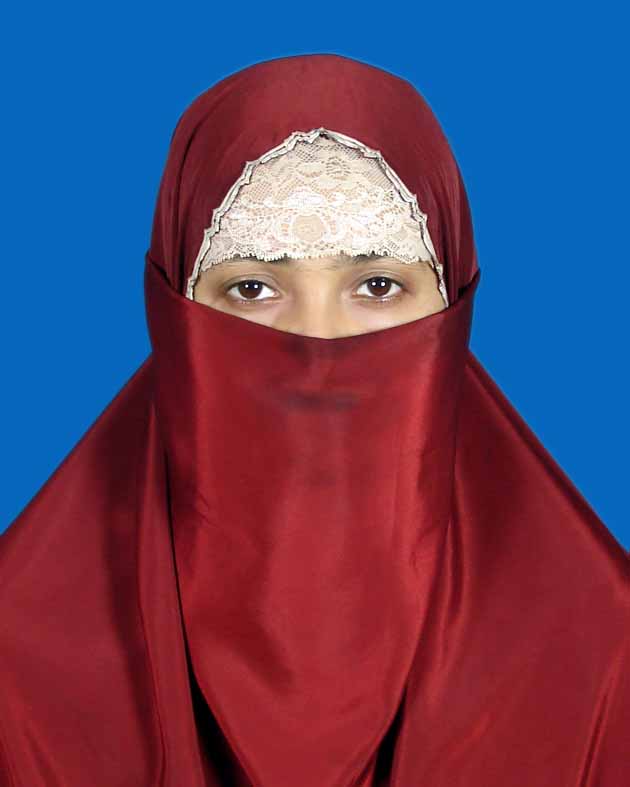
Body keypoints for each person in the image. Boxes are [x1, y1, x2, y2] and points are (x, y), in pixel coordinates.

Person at [0, 53, 627, 786]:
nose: (317, 345)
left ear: (453, 299)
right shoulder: (18, 657)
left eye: (378, 284)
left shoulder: (600, 650)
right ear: (173, 310)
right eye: (253, 287)